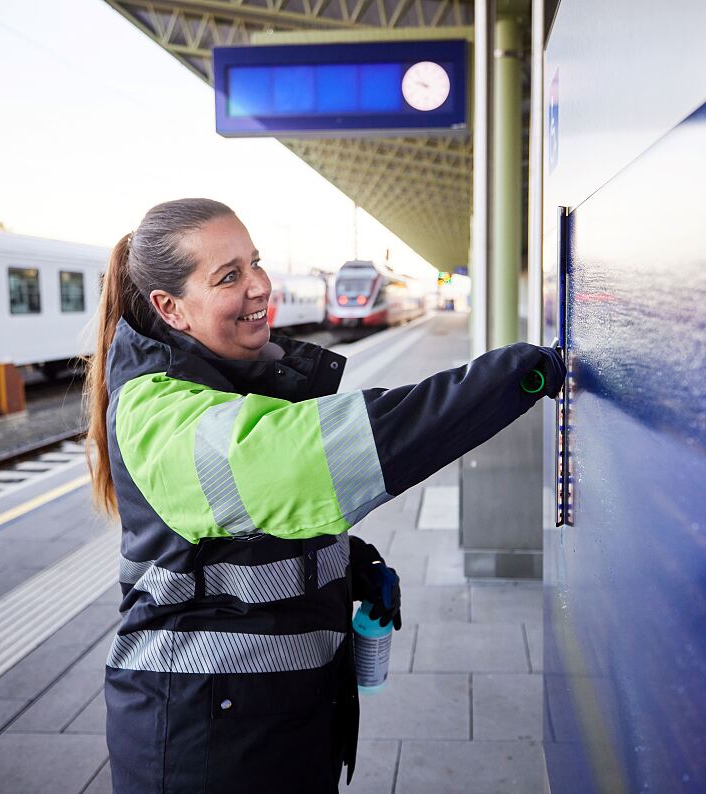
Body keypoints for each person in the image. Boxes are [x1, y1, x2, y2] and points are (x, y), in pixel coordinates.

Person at [86, 198, 564, 793]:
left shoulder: (220, 377)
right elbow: (311, 461)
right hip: (203, 746)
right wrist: (514, 377)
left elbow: (233, 538)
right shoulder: (160, 415)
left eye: (254, 262)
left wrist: (346, 563)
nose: (260, 285)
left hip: (260, 723)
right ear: (169, 308)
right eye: (229, 276)